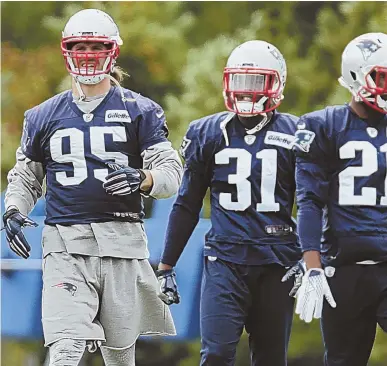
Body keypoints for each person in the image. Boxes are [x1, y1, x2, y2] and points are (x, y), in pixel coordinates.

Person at [3, 8, 182, 366]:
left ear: (112, 51)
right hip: (65, 245)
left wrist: (143, 178)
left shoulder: (140, 110)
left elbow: (171, 173)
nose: (86, 55)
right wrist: (13, 208)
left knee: (119, 356)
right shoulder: (43, 115)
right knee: (65, 348)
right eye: (78, 46)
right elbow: (26, 176)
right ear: (65, 51)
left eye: (95, 47)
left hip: (123, 243)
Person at [156, 40, 301, 366]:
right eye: (239, 81)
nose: (246, 91)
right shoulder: (207, 132)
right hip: (226, 260)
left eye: (255, 82)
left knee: (270, 359)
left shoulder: (297, 133)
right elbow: (187, 203)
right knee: (217, 354)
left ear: (276, 82)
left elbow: (310, 202)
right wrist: (166, 265)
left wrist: (310, 256)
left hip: (277, 261)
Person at [288, 32, 387, 366]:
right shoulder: (322, 125)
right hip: (343, 268)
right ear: (357, 74)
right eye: (381, 77)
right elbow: (309, 200)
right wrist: (312, 266)